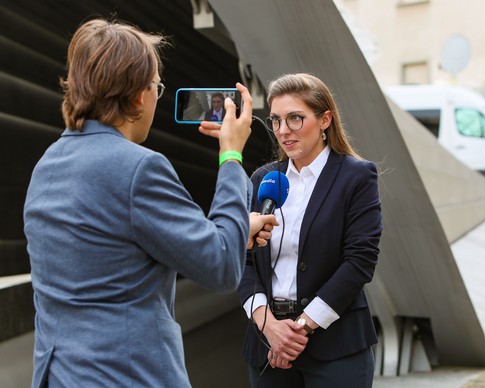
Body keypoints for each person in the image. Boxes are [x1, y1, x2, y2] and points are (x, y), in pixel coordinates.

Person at [23, 18, 276, 387]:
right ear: (139, 96)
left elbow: (111, 251)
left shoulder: (47, 166)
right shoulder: (140, 168)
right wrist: (231, 156)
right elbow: (220, 265)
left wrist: (238, 230)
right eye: (157, 87)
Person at [237, 73, 383, 387]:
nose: (283, 131)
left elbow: (360, 261)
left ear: (325, 119)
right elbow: (242, 259)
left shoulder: (356, 176)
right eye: (276, 120)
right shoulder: (262, 178)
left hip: (337, 345)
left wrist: (300, 328)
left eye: (295, 119)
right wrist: (269, 325)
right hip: (268, 342)